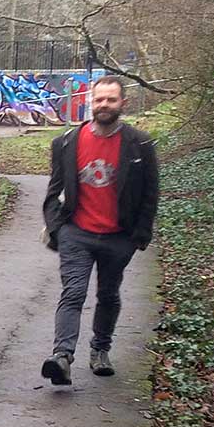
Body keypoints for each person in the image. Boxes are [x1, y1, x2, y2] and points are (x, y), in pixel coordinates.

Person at [40, 76, 159, 384]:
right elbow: (54, 190)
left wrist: (139, 236)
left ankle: (100, 349)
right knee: (73, 292)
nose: (103, 105)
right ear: (90, 102)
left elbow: (150, 194)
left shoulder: (140, 144)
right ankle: (62, 356)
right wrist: (56, 227)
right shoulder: (67, 142)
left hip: (119, 237)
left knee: (108, 293)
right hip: (76, 233)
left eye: (110, 100)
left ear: (123, 103)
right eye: (98, 100)